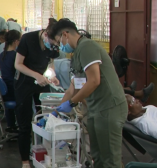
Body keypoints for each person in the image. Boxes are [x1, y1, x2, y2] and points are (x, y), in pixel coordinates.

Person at [48, 18, 127, 168]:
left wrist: (72, 103)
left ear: (66, 34)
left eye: (59, 42)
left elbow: (94, 80)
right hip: (95, 108)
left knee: (110, 160)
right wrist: (57, 111)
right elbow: (74, 87)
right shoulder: (77, 53)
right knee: (97, 157)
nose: (60, 47)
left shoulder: (87, 47)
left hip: (110, 107)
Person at [14, 19, 60, 168]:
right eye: (52, 43)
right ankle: (25, 160)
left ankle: (44, 154)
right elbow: (18, 64)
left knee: (47, 119)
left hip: (42, 82)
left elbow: (50, 62)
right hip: (25, 83)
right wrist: (36, 75)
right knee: (25, 123)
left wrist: (51, 75)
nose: (53, 46)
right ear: (45, 34)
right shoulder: (28, 39)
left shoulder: (54, 45)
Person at [0, 30, 21, 132]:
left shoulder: (2, 55)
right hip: (14, 89)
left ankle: (11, 125)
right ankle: (23, 126)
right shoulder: (16, 56)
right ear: (16, 41)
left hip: (7, 91)